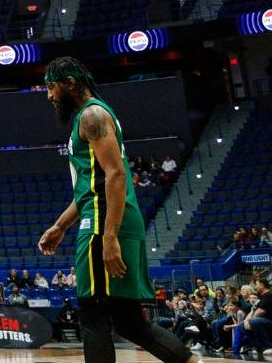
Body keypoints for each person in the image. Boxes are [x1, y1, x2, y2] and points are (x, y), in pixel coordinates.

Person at [38, 57, 199, 363]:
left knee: (93, 313)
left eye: (51, 86)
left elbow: (115, 175)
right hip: (109, 217)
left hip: (103, 222)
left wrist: (109, 235)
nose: (49, 95)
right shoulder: (91, 116)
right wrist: (60, 226)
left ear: (70, 83)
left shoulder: (92, 115)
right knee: (128, 321)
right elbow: (93, 186)